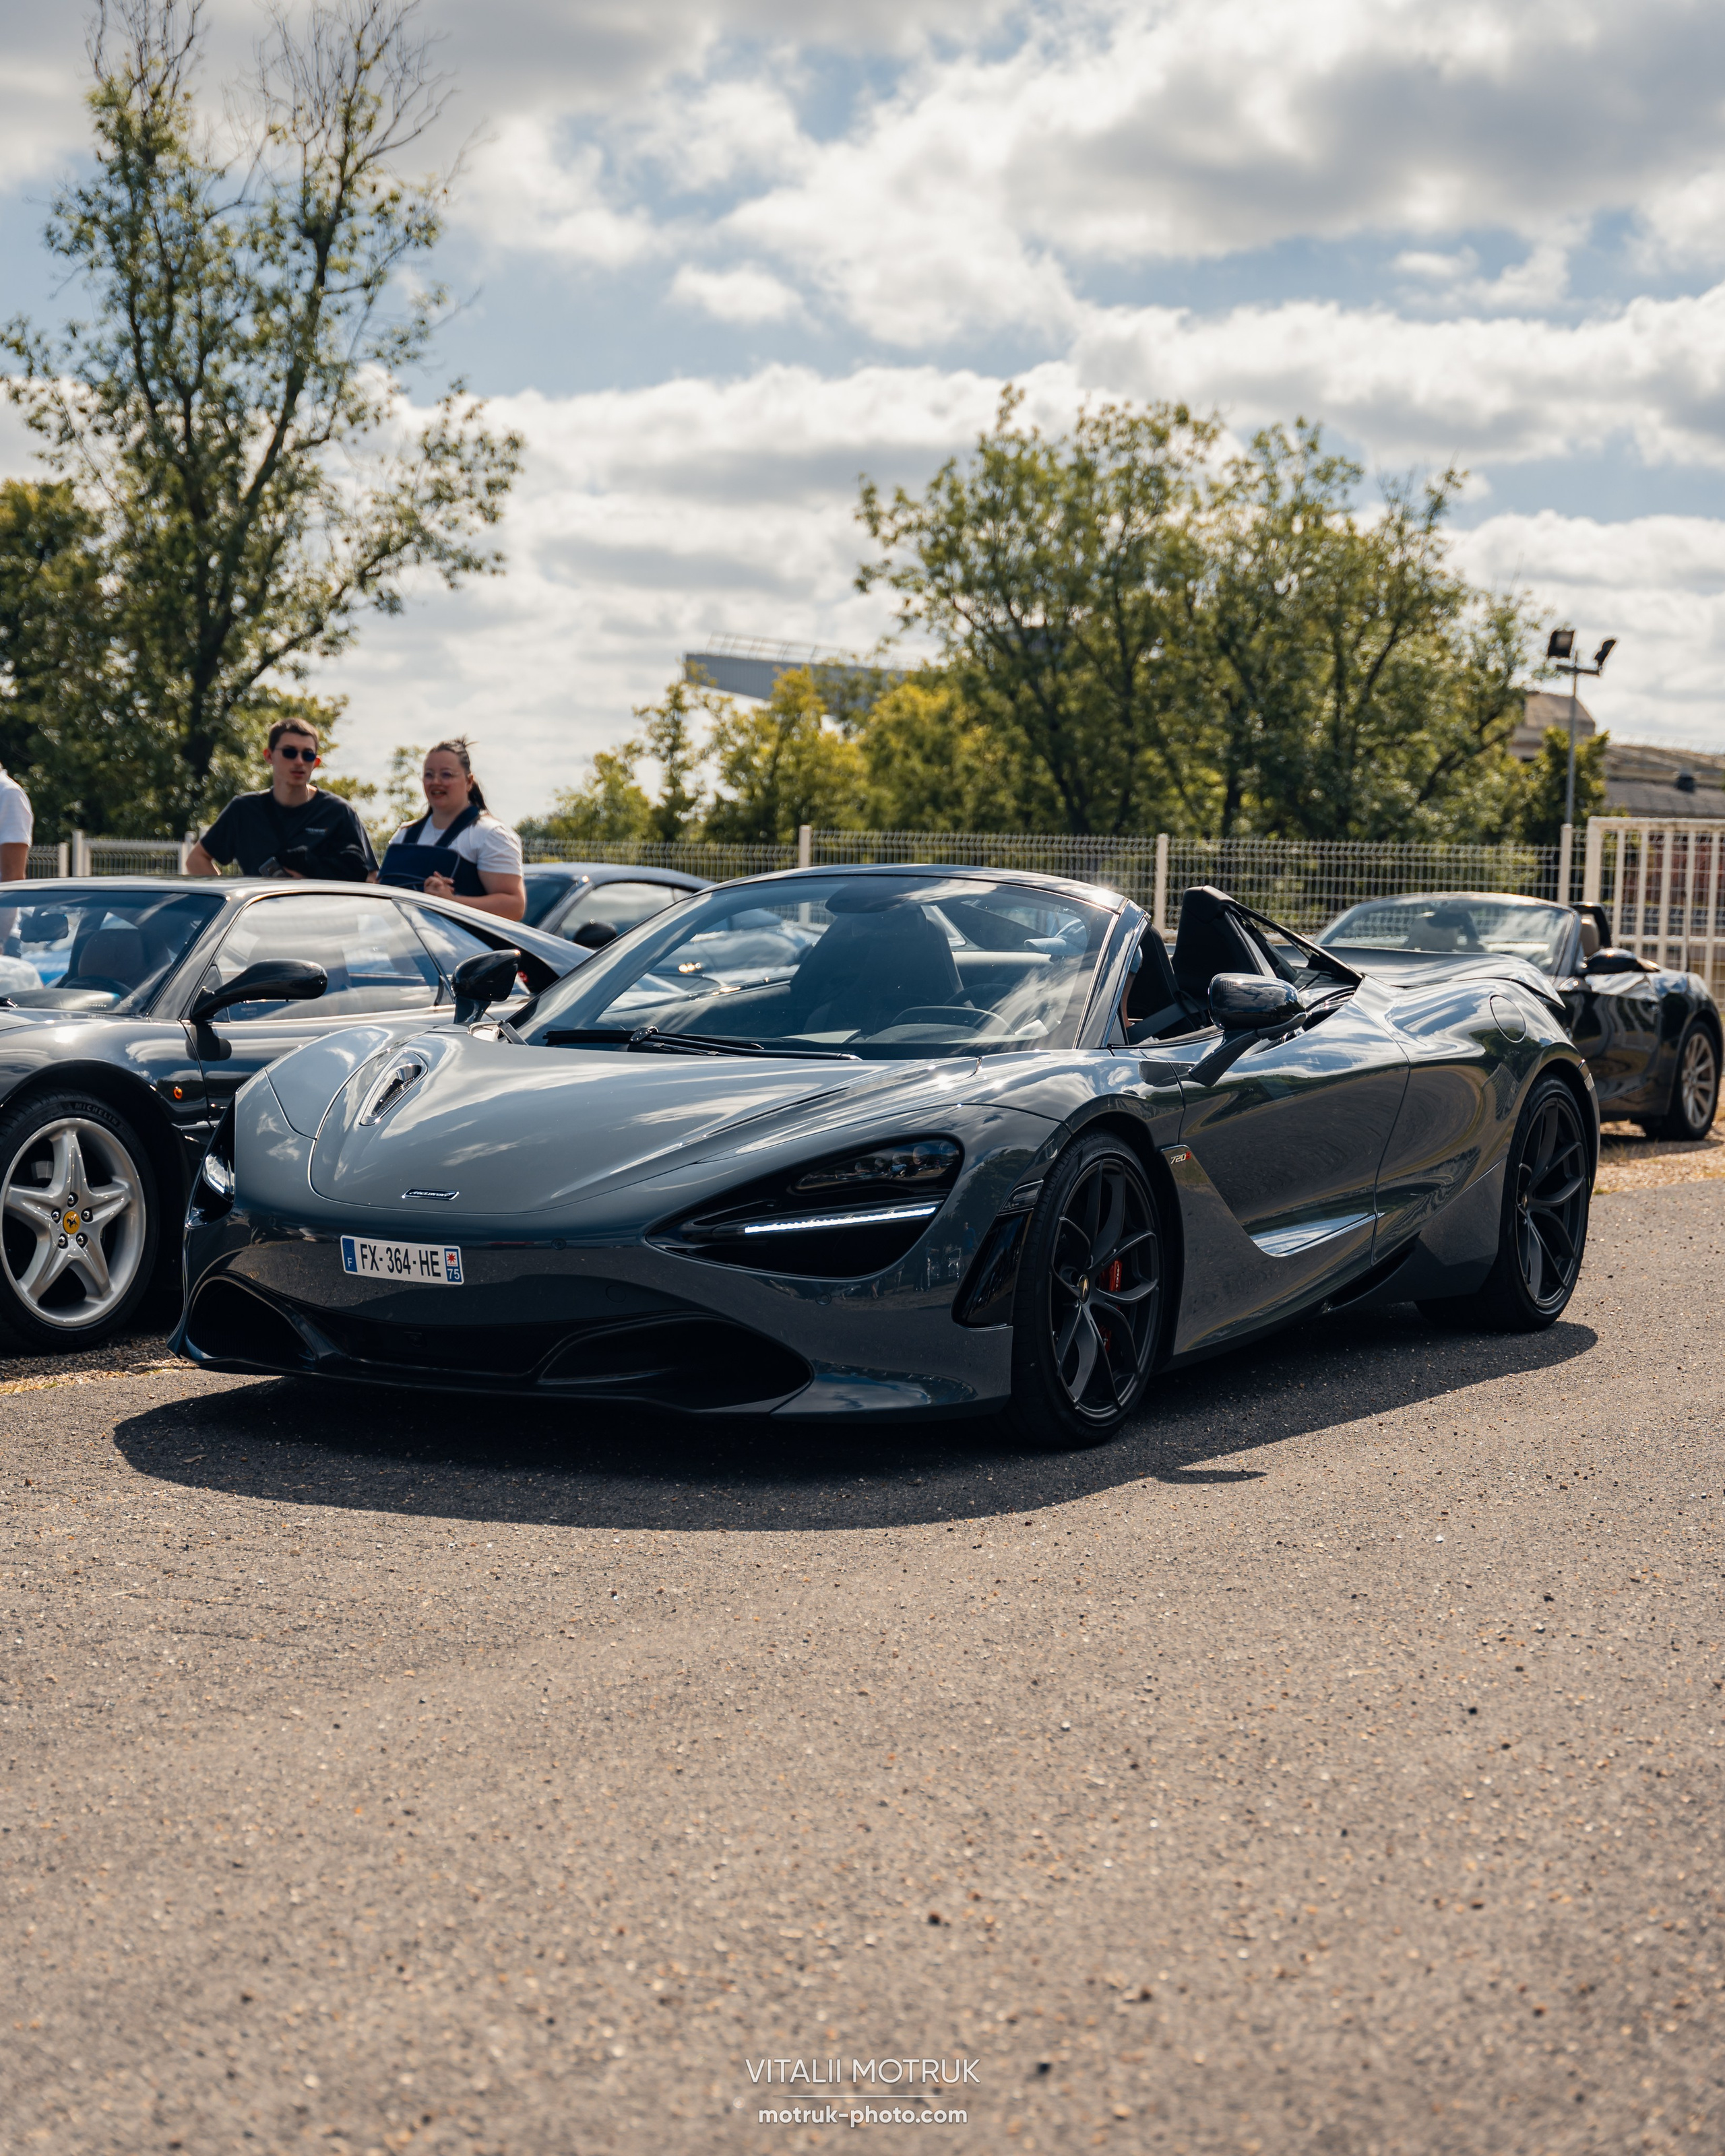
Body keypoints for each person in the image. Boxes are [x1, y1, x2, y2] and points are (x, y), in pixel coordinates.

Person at [186, 718, 376, 882]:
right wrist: (233, 901)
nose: (300, 761)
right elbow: (196, 859)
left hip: (322, 920)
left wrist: (314, 888)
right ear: (269, 756)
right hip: (259, 922)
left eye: (307, 755)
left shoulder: (338, 811)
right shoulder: (244, 810)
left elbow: (371, 877)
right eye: (290, 752)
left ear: (316, 763)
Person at [379, 738, 525, 922]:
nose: (436, 782)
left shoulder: (490, 834)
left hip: (468, 949)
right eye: (429, 775)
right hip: (403, 945)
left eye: (447, 775)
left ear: (469, 781)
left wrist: (451, 902)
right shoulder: (405, 834)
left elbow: (514, 908)